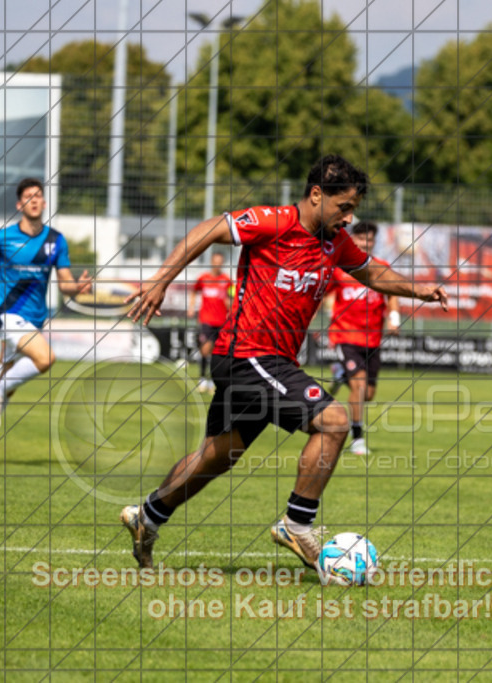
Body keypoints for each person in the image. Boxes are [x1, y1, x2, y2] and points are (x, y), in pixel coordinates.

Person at [118, 154, 449, 572]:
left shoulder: (334, 242)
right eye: (344, 207)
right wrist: (160, 280)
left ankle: (147, 516)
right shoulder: (273, 222)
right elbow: (209, 229)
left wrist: (419, 290)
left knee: (218, 455)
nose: (350, 218)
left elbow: (372, 273)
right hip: (248, 354)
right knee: (334, 421)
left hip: (265, 360)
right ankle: (297, 524)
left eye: (353, 209)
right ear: (317, 195)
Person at [0, 178, 92, 465]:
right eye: (28, 196)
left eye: (38, 196)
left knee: (7, 388)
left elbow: (65, 284)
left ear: (44, 203)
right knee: (45, 358)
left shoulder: (56, 241)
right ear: (19, 204)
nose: (34, 200)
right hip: (5, 313)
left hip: (34, 320)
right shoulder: (2, 237)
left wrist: (77, 287)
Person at [325, 221, 400, 456]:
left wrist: (394, 318)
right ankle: (357, 439)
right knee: (358, 388)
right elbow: (323, 293)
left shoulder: (381, 267)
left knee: (367, 393)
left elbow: (392, 294)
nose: (365, 244)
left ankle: (341, 373)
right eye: (361, 239)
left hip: (372, 339)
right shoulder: (339, 268)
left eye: (370, 240)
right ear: (352, 240)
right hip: (345, 335)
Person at [187, 251, 232, 393]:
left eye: (220, 263)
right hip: (206, 320)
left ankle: (213, 382)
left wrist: (230, 309)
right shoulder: (203, 278)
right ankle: (202, 379)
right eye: (215, 262)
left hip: (222, 321)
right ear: (212, 262)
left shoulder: (226, 280)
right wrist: (191, 307)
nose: (217, 265)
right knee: (205, 350)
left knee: (217, 353)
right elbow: (194, 292)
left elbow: (229, 298)